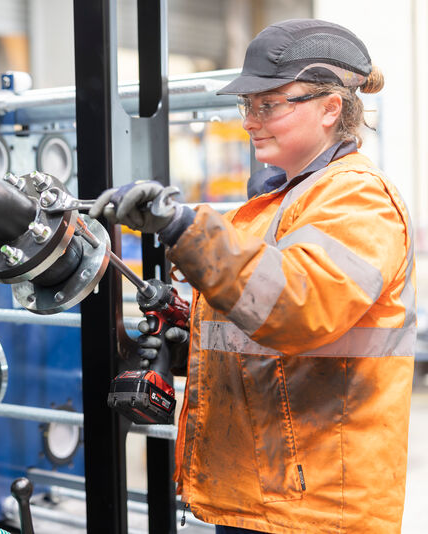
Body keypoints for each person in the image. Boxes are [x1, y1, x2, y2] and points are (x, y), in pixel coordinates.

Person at [90, 19, 415, 534]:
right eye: (249, 106)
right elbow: (261, 333)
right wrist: (187, 339)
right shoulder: (278, 201)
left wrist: (185, 227)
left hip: (316, 508)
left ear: (331, 108)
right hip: (266, 494)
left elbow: (297, 306)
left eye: (270, 105)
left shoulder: (357, 198)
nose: (251, 121)